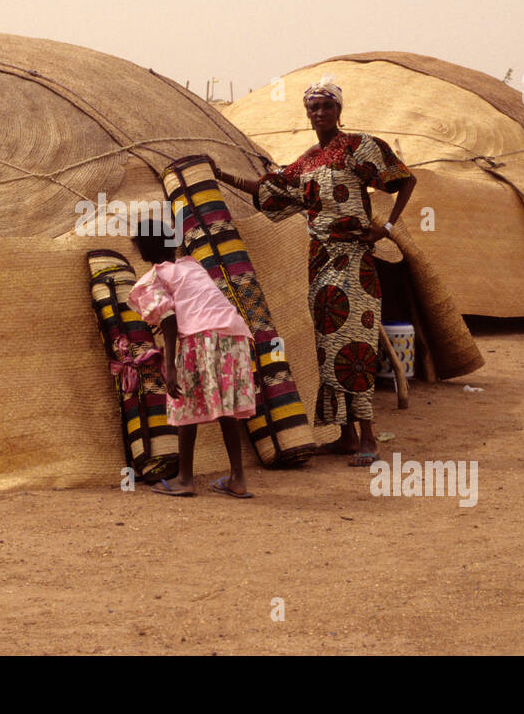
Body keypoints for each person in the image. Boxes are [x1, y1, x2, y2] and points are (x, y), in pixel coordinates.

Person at [213, 77, 416, 466]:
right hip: (320, 263)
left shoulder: (360, 148)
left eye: (326, 106)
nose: (319, 113)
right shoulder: (306, 162)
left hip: (354, 263)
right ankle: (345, 436)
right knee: (328, 349)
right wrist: (221, 175)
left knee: (356, 346)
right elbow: (267, 191)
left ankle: (369, 437)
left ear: (339, 110)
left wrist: (386, 227)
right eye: (313, 107)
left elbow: (405, 180)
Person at [127, 217, 258, 498]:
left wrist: (172, 365)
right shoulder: (191, 266)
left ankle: (185, 479)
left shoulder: (155, 278)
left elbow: (169, 321)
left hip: (200, 336)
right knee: (227, 409)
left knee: (183, 406)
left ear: (145, 249)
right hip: (233, 335)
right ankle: (238, 479)